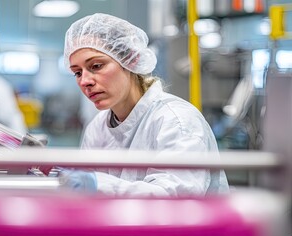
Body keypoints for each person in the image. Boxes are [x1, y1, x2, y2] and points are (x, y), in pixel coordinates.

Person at [59, 13, 229, 197]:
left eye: (97, 66)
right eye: (77, 72)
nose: (85, 81)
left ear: (131, 60)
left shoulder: (176, 121)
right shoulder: (98, 127)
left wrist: (97, 185)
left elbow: (175, 200)